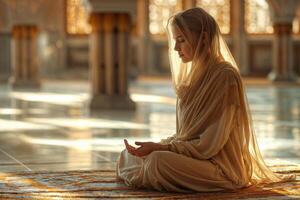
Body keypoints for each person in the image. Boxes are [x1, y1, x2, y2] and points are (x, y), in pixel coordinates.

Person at [116, 7, 295, 192]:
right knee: (126, 156)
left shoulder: (225, 76)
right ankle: (148, 172)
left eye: (181, 40)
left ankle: (149, 173)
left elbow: (208, 146)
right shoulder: (190, 79)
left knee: (157, 162)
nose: (176, 48)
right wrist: (158, 146)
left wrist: (161, 149)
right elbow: (184, 136)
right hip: (192, 158)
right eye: (175, 41)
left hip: (217, 167)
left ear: (202, 38)